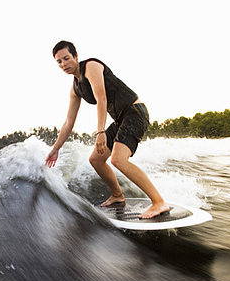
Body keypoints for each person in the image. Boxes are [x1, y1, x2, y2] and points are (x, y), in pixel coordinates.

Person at [45, 40, 169, 219]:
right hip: (121, 119)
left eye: (66, 58)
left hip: (135, 112)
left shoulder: (92, 66)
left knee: (118, 160)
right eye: (59, 61)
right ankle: (118, 195)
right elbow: (68, 122)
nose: (64, 64)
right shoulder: (76, 88)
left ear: (76, 56)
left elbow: (101, 98)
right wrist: (55, 149)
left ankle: (158, 202)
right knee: (96, 159)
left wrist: (100, 132)